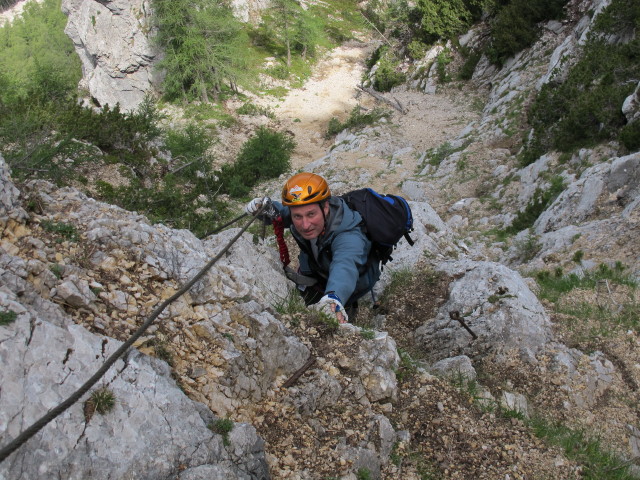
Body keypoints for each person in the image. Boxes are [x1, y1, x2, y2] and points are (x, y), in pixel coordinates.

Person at [245, 172, 381, 324]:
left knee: (334, 321)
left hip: (346, 284)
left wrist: (334, 297)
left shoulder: (349, 235)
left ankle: (347, 308)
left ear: (326, 207)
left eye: (311, 214)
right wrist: (264, 208)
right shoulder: (304, 211)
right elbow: (282, 213)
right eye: (297, 216)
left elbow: (345, 265)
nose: (305, 225)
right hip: (317, 272)